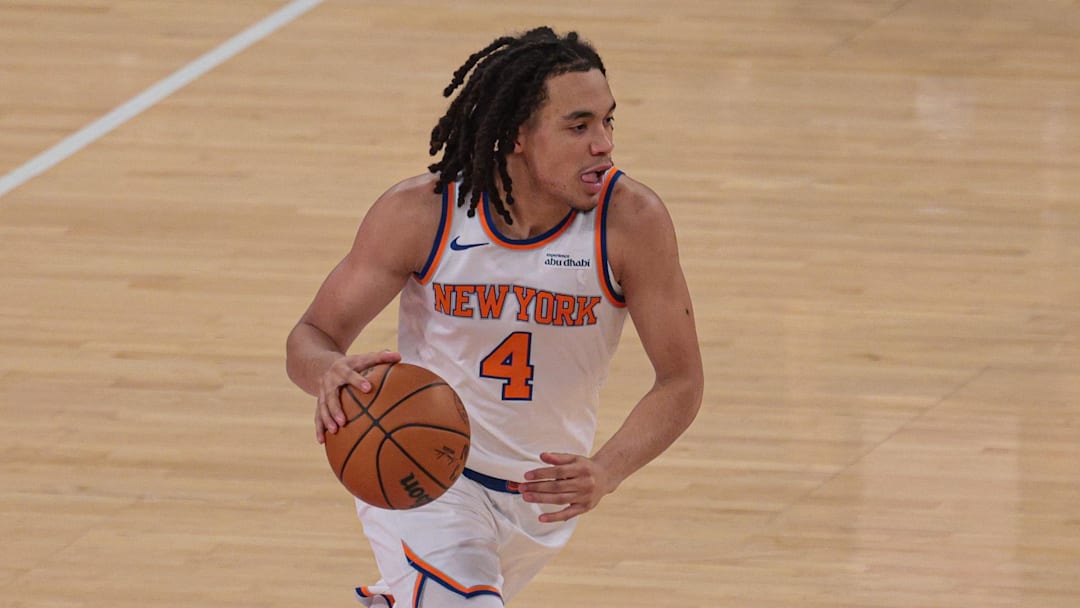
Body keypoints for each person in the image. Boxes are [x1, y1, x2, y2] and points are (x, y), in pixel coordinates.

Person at [285, 26, 704, 607]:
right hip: (423, 474)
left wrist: (606, 470)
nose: (603, 144)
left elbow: (681, 381)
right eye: (578, 126)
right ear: (517, 137)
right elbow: (311, 336)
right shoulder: (424, 214)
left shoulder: (630, 222)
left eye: (609, 122)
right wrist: (327, 371)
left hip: (540, 500)